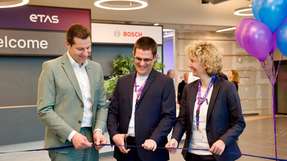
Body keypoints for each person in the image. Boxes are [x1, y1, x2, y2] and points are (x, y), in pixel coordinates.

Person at [37, 24, 108, 161]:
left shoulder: (96, 68)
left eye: (88, 48)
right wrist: (72, 135)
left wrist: (99, 130)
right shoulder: (51, 68)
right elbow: (44, 109)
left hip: (91, 139)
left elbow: (102, 105)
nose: (86, 53)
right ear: (67, 45)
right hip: (63, 142)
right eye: (80, 49)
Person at [166, 42, 245, 161]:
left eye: (192, 61)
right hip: (192, 154)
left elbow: (239, 123)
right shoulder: (189, 89)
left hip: (217, 155)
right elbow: (182, 120)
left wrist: (223, 141)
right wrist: (174, 139)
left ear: (205, 63)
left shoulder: (227, 88)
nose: (189, 64)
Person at [107, 36, 176, 161]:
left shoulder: (165, 82)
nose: (142, 63)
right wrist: (114, 135)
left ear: (155, 58)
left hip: (152, 150)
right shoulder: (123, 82)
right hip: (125, 149)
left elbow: (169, 116)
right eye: (138, 58)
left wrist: (155, 138)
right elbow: (112, 112)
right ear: (133, 54)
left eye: (147, 59)